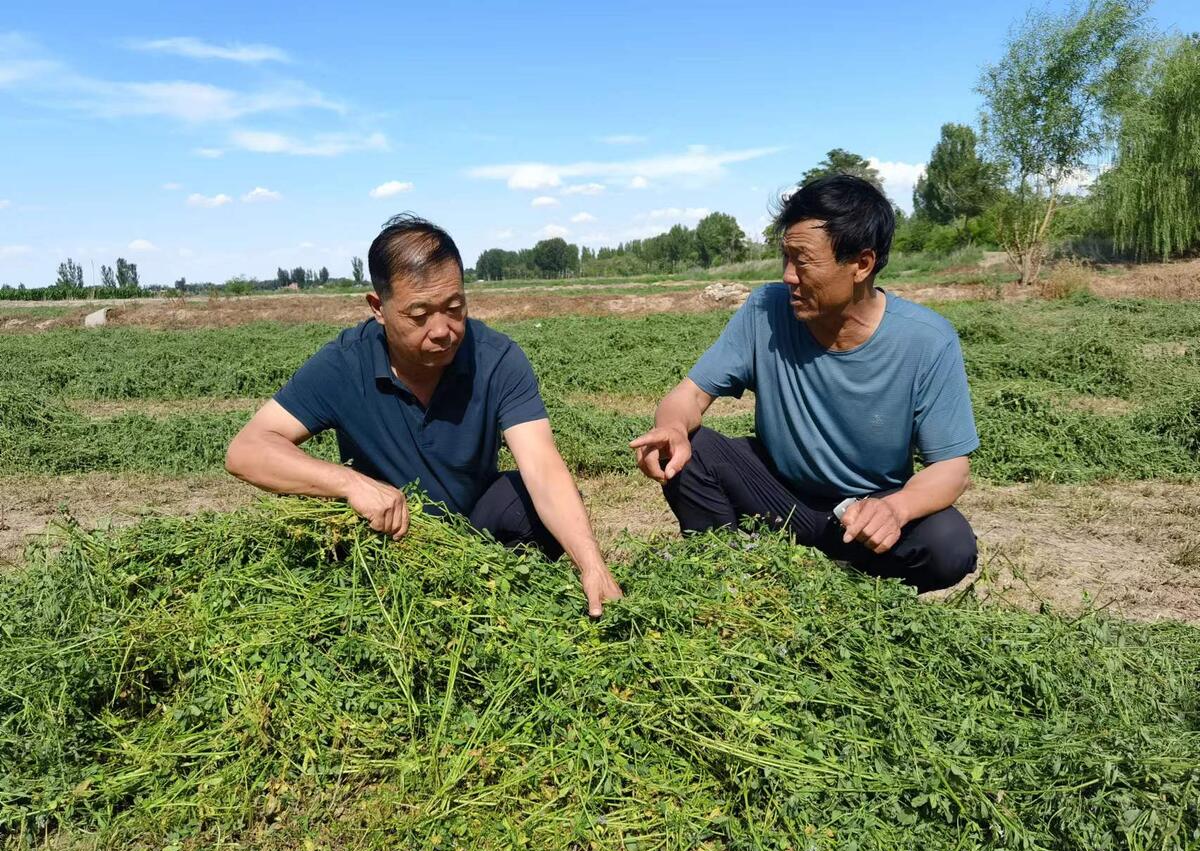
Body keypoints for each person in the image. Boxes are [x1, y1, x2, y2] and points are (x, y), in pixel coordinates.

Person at [226, 213, 621, 616]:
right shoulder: (345, 364)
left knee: (525, 500)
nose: (442, 329)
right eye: (419, 315)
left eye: (454, 307)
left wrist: (592, 564)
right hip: (386, 541)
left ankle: (501, 605)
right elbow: (248, 449)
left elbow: (543, 466)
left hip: (480, 533)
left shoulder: (496, 359)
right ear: (378, 307)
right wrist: (350, 484)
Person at [630, 175, 978, 593]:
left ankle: (855, 596)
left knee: (949, 546)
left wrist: (895, 509)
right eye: (785, 259)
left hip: (865, 511)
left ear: (861, 264)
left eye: (803, 261)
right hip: (776, 495)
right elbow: (690, 394)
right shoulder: (765, 310)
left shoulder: (926, 340)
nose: (789, 276)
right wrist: (670, 428)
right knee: (689, 449)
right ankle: (725, 582)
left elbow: (952, 468)